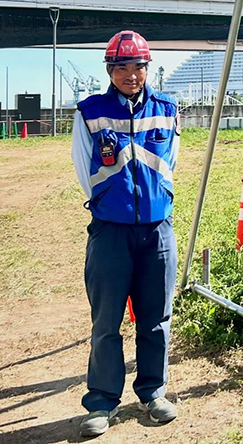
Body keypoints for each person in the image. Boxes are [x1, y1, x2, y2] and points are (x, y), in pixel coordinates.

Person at [71, 30, 180, 437]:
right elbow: (85, 170)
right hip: (110, 232)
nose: (130, 74)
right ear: (109, 70)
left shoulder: (168, 108)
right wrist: (112, 204)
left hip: (157, 230)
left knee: (155, 318)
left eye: (137, 67)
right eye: (121, 67)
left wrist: (155, 202)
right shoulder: (90, 112)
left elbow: (171, 164)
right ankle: (101, 400)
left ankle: (153, 392)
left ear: (147, 69)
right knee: (106, 321)